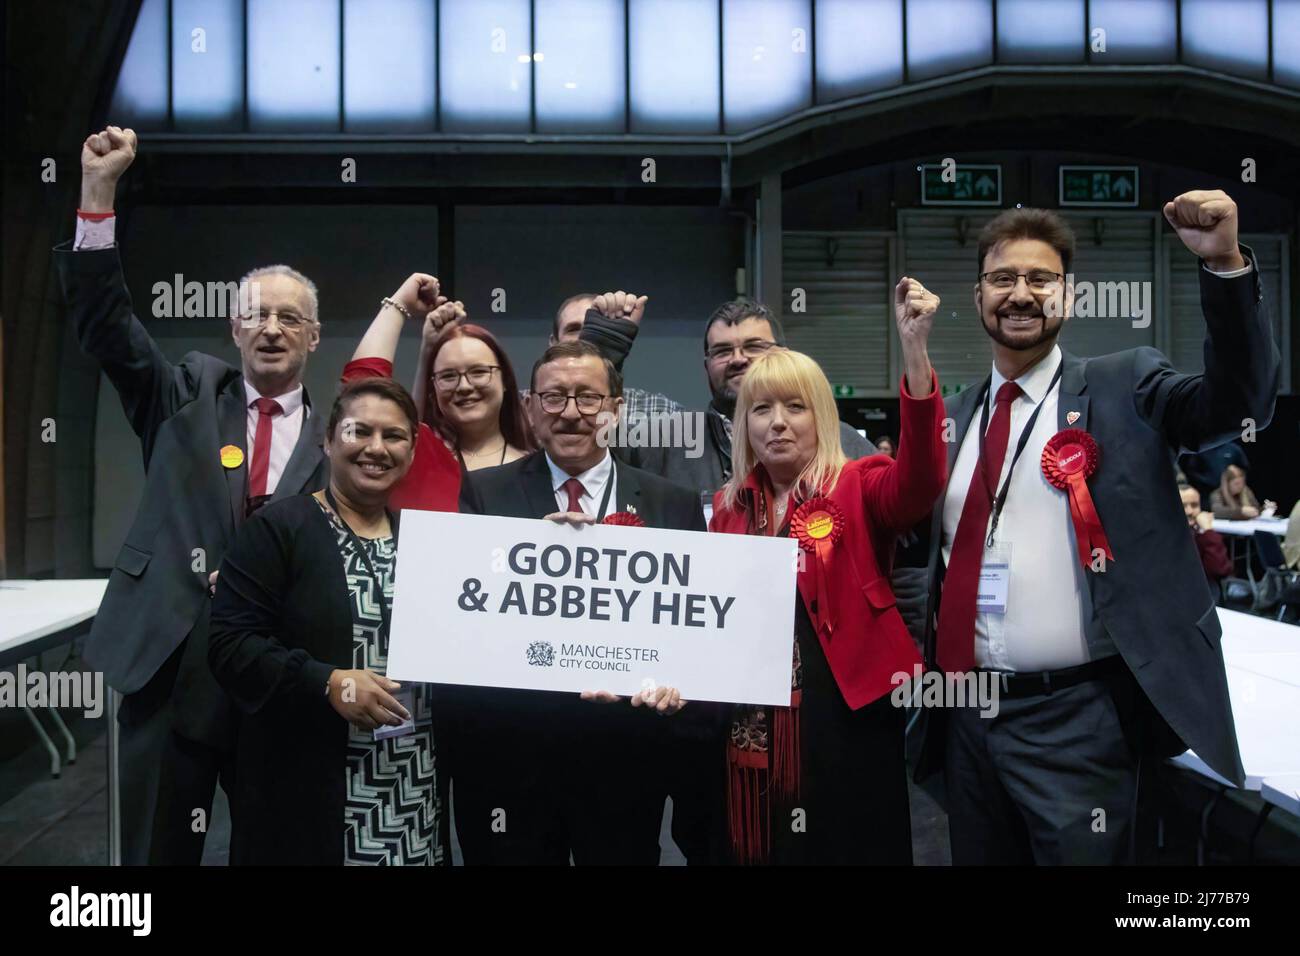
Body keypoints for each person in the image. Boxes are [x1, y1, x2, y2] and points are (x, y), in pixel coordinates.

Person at [916, 192, 1279, 865]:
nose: (1020, 293)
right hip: (967, 719)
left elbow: (1235, 402)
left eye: (1040, 279)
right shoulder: (958, 415)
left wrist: (1224, 264)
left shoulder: (1124, 384)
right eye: (1003, 278)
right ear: (977, 296)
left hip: (1078, 721)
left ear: (1070, 298)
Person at [56, 126, 330, 864]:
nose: (270, 328)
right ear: (233, 325)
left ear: (314, 337)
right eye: (256, 315)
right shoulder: (181, 394)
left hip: (275, 669)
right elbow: (107, 325)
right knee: (153, 851)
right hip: (171, 658)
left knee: (275, 850)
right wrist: (99, 191)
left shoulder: (341, 438)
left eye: (289, 318)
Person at [708, 279, 945, 864]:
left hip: (850, 711)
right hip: (756, 716)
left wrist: (915, 354)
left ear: (823, 416)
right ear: (745, 425)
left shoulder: (861, 481)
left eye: (795, 407)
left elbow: (920, 480)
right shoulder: (726, 506)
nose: (778, 423)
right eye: (761, 409)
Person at [450, 340, 705, 865]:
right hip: (514, 756)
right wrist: (522, 556)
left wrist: (670, 684)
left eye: (589, 399)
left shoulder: (670, 503)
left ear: (617, 409)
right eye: (554, 397)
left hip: (625, 758)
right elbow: (465, 616)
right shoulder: (481, 495)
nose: (570, 413)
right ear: (528, 407)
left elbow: (689, 633)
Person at [209, 378, 446, 865]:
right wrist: (327, 681)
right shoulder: (278, 529)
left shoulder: (426, 541)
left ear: (412, 448)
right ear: (329, 438)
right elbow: (230, 646)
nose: (376, 448)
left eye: (394, 436)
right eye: (360, 431)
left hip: (410, 778)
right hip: (310, 784)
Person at [342, 278, 533, 509]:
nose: (464, 386)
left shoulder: (540, 469)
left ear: (505, 380)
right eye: (449, 376)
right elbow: (360, 392)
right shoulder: (414, 457)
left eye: (479, 371)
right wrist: (399, 304)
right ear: (434, 388)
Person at [1181, 484, 1233, 592]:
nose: (1189, 511)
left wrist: (1208, 531)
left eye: (1194, 505)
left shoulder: (1201, 535)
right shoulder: (1165, 538)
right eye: (1183, 506)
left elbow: (1219, 570)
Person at [1210, 463, 1274, 520]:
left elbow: (1256, 509)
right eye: (1236, 483)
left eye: (1242, 483)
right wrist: (1241, 511)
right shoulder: (1217, 494)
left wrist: (1264, 508)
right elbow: (1218, 512)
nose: (1240, 486)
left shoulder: (1246, 491)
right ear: (1227, 484)